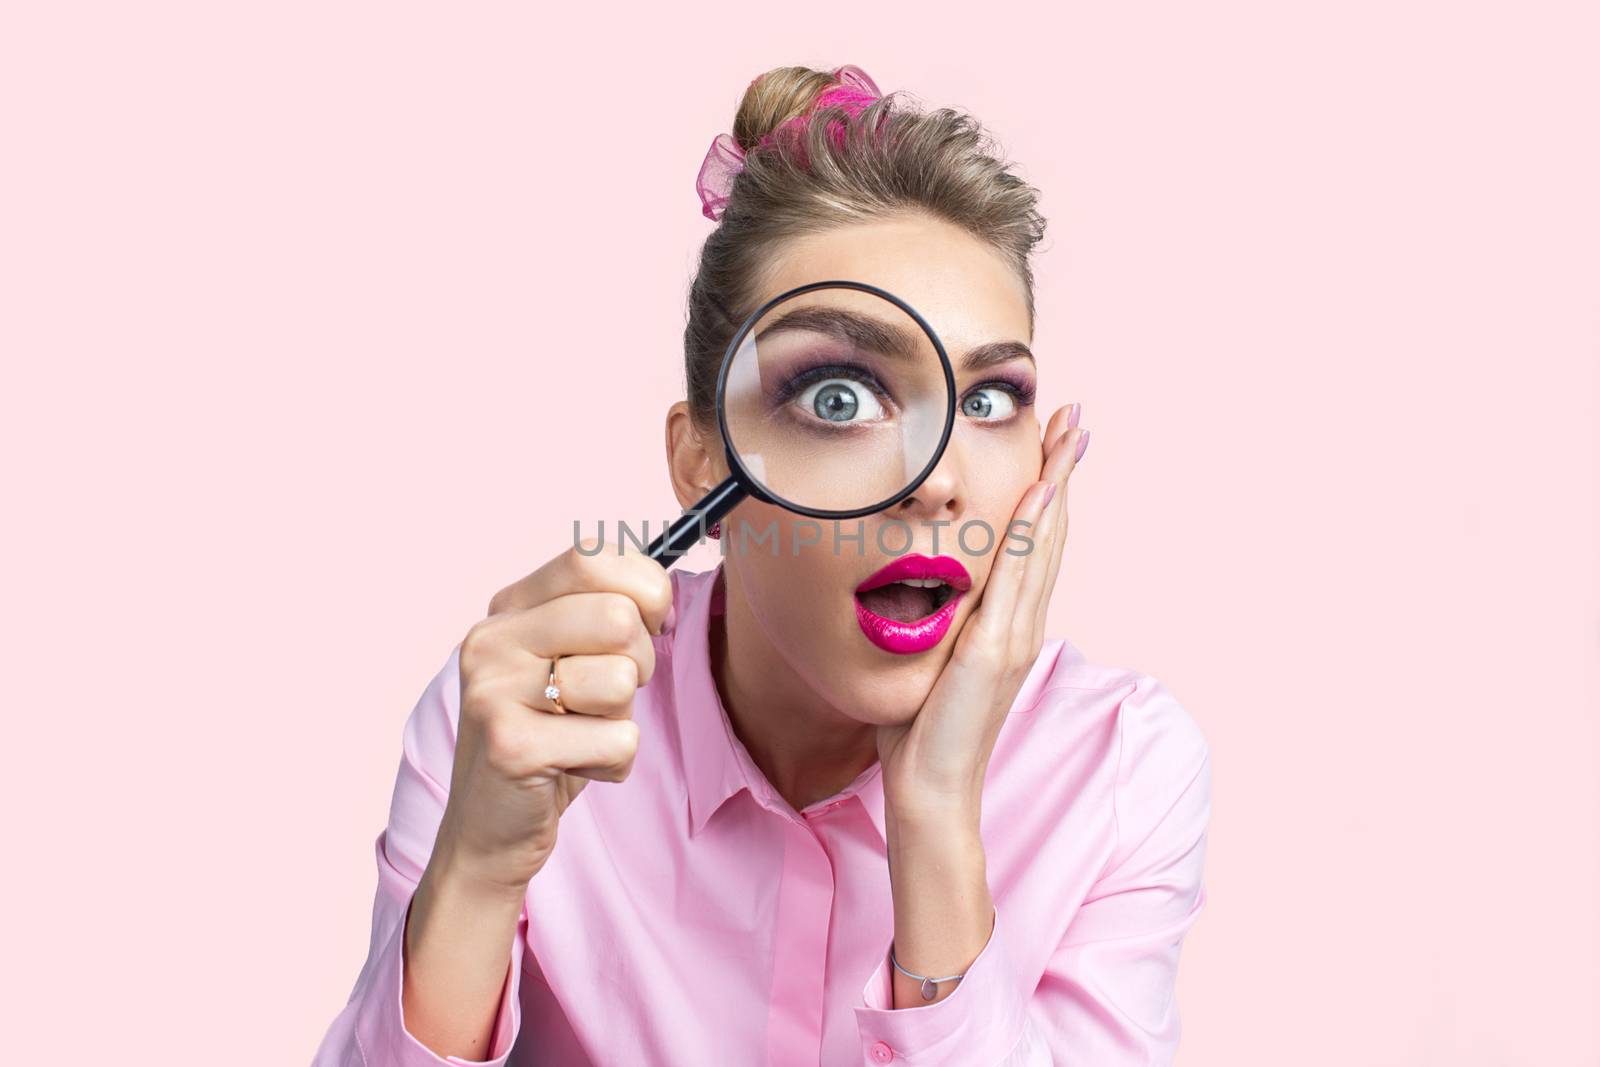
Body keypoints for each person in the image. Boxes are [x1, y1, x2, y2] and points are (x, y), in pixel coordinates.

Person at [312, 63, 1211, 1067]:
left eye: (992, 397)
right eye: (838, 395)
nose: (939, 482)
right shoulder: (529, 721)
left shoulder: (1117, 768)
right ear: (703, 457)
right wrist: (474, 869)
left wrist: (936, 815)